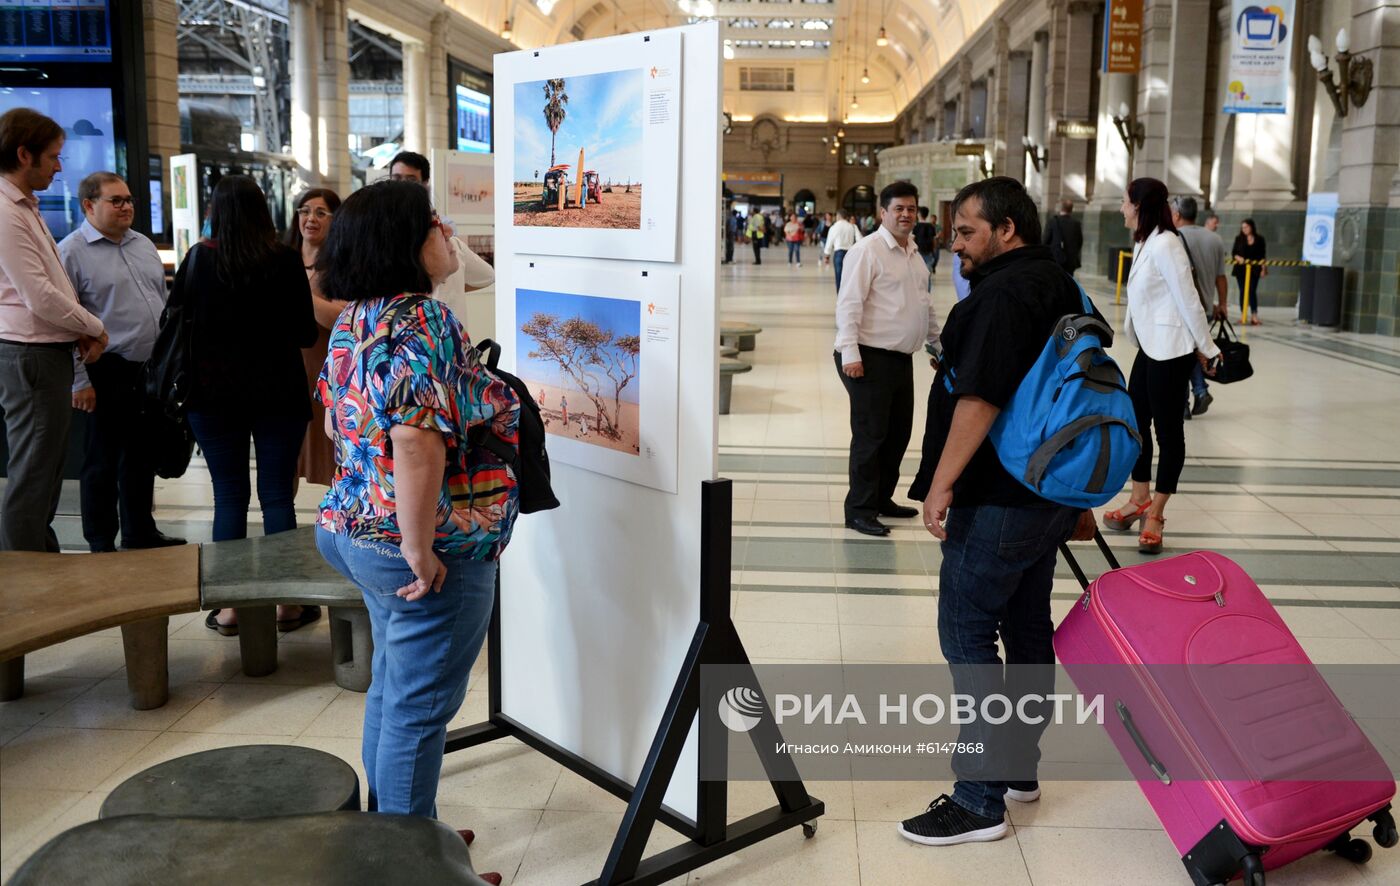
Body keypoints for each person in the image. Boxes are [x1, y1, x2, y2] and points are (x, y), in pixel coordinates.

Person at [312, 181, 518, 852]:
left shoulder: (357, 316)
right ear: (404, 243)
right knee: (418, 708)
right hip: (421, 544)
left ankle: (401, 831)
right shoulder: (423, 320)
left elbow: (345, 421)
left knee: (394, 690)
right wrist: (419, 545)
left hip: (351, 530)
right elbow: (413, 438)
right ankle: (407, 862)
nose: (446, 235)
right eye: (434, 224)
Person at [900, 175, 1098, 849]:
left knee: (966, 632)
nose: (952, 243)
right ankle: (1018, 770)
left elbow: (978, 400)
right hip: (1050, 493)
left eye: (965, 231)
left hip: (1001, 497)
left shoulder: (1003, 296)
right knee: (1026, 627)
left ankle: (978, 800)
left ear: (1006, 229)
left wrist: (940, 484)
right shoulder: (1061, 284)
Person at [176, 175, 319, 635]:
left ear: (215, 211)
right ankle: (287, 605)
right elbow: (304, 333)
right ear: (263, 210)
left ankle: (232, 606)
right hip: (277, 393)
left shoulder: (199, 259)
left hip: (212, 396)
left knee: (229, 497)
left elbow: (177, 320)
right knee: (278, 496)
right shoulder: (283, 260)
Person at [59, 171, 185, 553]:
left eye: (129, 199)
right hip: (105, 368)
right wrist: (79, 381)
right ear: (89, 205)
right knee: (101, 459)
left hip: (148, 369)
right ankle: (99, 539)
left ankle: (139, 531)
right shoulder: (71, 252)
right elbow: (65, 324)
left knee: (141, 454)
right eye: (116, 201)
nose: (126, 206)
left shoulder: (143, 244)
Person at [0, 108, 107, 553]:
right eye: (53, 157)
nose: (60, 167)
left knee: (45, 472)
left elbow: (50, 286)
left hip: (46, 354)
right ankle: (26, 583)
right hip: (31, 357)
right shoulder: (5, 211)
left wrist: (78, 331)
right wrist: (95, 327)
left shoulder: (24, 206)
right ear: (24, 154)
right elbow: (39, 295)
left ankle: (40, 565)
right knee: (33, 475)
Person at [1102, 178, 1220, 554]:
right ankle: (1139, 497)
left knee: (1169, 433)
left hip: (1172, 350)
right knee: (1137, 424)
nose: (1121, 208)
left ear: (1139, 205)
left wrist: (1207, 348)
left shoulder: (1168, 244)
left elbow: (1189, 299)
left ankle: (1157, 512)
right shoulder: (1145, 241)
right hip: (1149, 347)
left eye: (1124, 202)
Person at [833, 181, 940, 537]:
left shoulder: (913, 252)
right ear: (883, 213)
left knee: (897, 433)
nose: (906, 215)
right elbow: (849, 303)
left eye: (911, 209)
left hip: (898, 359)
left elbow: (924, 305)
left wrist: (936, 346)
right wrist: (850, 351)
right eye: (899, 209)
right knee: (871, 436)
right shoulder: (867, 251)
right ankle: (859, 509)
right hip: (866, 357)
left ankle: (881, 498)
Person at [283, 187, 344, 487]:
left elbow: (341, 318)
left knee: (330, 454)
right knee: (284, 463)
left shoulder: (342, 266)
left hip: (325, 372)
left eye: (321, 212)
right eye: (305, 211)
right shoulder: (281, 258)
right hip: (284, 372)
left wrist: (301, 290)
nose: (311, 218)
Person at [386, 152, 494, 316]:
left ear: (425, 183)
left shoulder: (450, 240)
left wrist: (449, 289)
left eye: (411, 180)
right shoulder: (381, 241)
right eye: (397, 178)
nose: (402, 186)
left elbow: (486, 276)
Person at [1170, 196, 1228, 419]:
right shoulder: (1215, 239)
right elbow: (1221, 277)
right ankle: (1199, 391)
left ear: (1177, 214)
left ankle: (1187, 400)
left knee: (1183, 354)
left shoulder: (1174, 238)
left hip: (1184, 309)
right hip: (1207, 309)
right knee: (1193, 353)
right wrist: (1222, 304)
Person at [1231, 218, 1267, 325]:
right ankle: (1243, 315)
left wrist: (1263, 269)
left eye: (1246, 227)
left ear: (1251, 227)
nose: (1244, 229)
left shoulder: (1260, 239)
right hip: (1241, 270)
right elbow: (1234, 253)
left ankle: (1254, 315)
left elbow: (1262, 255)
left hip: (1254, 269)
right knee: (1243, 291)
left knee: (1252, 291)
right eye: (1242, 227)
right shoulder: (1239, 239)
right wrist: (1239, 258)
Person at [1042, 198, 1083, 277]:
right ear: (1071, 209)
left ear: (1061, 208)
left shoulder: (1053, 221)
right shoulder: (1076, 224)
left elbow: (1045, 241)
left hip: (1056, 259)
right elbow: (1079, 242)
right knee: (1069, 281)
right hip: (1071, 261)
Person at [823, 209, 861, 292]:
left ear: (838, 216)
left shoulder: (834, 227)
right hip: (850, 254)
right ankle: (848, 297)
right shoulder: (852, 226)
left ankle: (840, 299)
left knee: (839, 277)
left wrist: (827, 256)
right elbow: (860, 240)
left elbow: (829, 242)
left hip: (838, 254)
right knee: (849, 277)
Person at [912, 206, 939, 291]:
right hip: (928, 253)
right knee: (927, 276)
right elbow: (934, 241)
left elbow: (913, 240)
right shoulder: (931, 226)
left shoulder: (916, 226)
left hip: (918, 254)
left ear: (919, 214)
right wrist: (933, 250)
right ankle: (927, 293)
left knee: (917, 276)